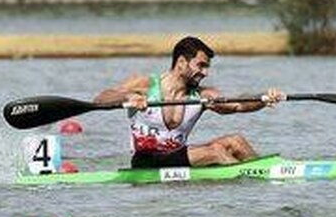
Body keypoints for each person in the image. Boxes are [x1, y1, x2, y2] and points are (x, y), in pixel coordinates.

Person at [94, 36, 285, 169]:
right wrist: (128, 98)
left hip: (178, 155)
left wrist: (263, 98)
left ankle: (265, 176)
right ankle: (244, 179)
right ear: (182, 62)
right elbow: (101, 98)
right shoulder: (144, 85)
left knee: (236, 141)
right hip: (147, 160)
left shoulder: (202, 95)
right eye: (201, 65)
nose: (205, 72)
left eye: (207, 67)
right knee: (216, 151)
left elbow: (238, 105)